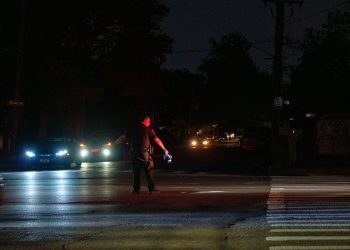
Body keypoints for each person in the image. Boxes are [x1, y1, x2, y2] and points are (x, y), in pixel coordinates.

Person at [116, 114, 169, 194]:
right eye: (149, 121)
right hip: (145, 154)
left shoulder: (132, 129)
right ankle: (152, 189)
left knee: (136, 172)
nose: (149, 123)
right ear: (145, 120)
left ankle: (136, 189)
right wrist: (164, 149)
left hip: (135, 153)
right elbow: (156, 140)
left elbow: (122, 139)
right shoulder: (148, 130)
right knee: (149, 171)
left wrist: (115, 143)